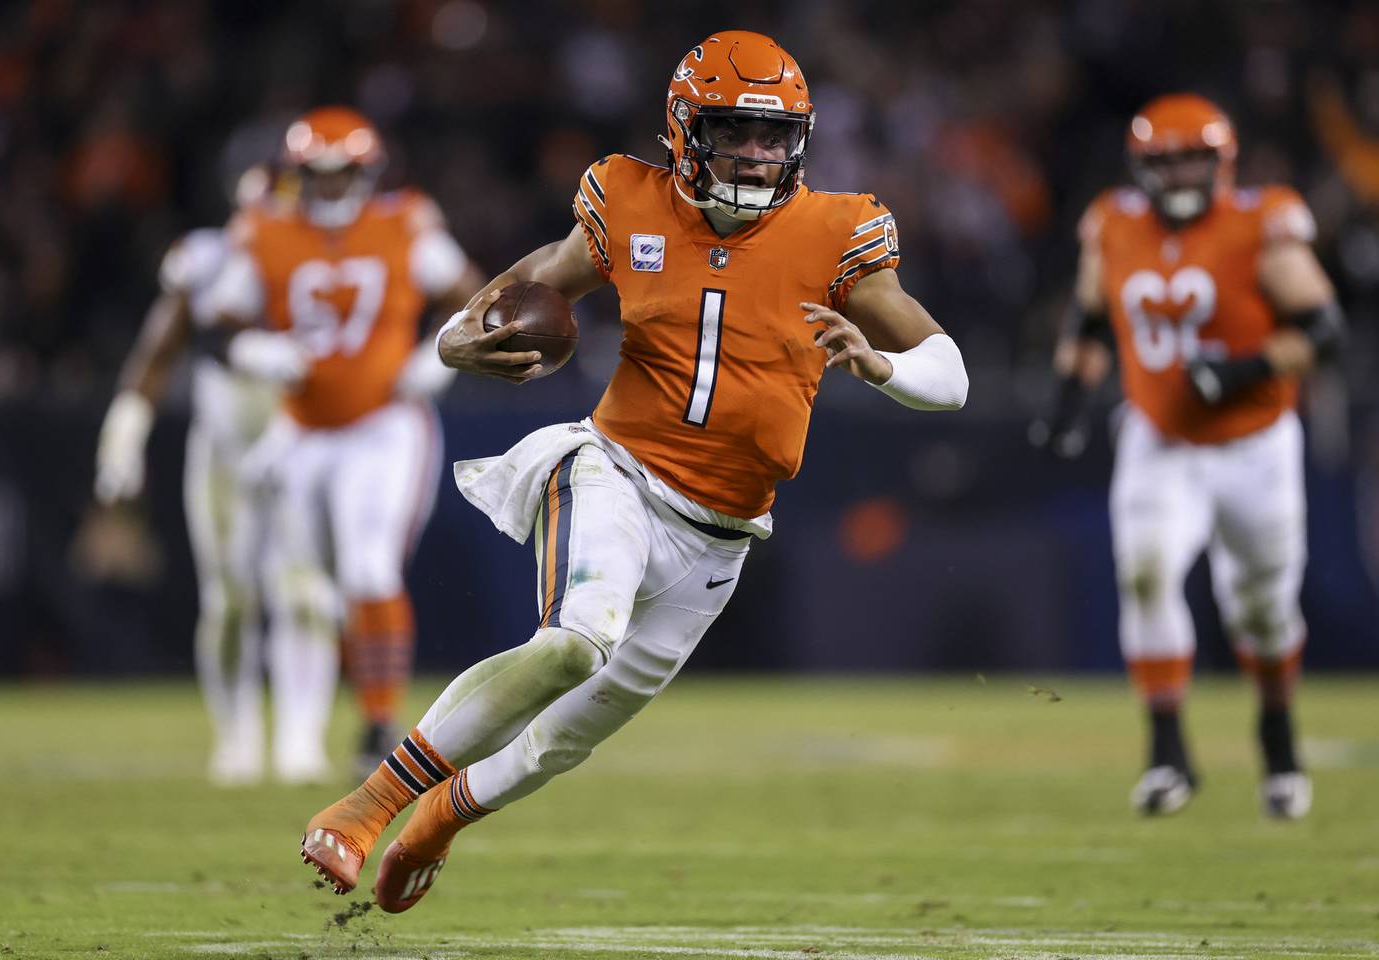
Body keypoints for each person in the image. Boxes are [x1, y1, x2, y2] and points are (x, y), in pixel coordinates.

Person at [298, 31, 968, 911]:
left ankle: (438, 819)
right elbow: (532, 281)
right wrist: (459, 335)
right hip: (615, 471)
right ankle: (366, 805)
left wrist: (881, 366)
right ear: (687, 131)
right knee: (575, 642)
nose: (760, 155)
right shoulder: (631, 202)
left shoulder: (836, 232)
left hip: (722, 535)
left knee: (560, 743)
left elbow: (949, 376)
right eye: (737, 132)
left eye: (776, 137)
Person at [1033, 94, 1344, 819]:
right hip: (1158, 438)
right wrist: (1064, 408)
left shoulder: (1260, 224)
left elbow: (1324, 330)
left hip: (1255, 444)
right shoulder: (1112, 224)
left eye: (1191, 160)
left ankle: (1277, 733)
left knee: (1261, 613)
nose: (1177, 176)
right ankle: (1168, 753)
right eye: (1164, 161)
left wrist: (1239, 370)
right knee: (1144, 576)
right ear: (1141, 167)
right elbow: (1087, 322)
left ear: (1222, 163)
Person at [209, 106, 483, 782]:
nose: (331, 191)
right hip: (300, 432)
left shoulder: (405, 223)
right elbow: (216, 324)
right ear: (295, 176)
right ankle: (298, 736)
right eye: (317, 177)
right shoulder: (263, 230)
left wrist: (439, 353)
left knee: (368, 569)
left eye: (344, 176)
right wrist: (254, 348)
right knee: (307, 589)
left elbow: (475, 296)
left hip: (383, 424)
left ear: (369, 173)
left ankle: (376, 721)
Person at [94, 166, 278, 786]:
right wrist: (124, 432)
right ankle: (238, 736)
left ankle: (305, 738)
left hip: (305, 445)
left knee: (310, 596)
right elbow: (159, 348)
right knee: (229, 599)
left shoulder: (327, 259)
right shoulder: (205, 259)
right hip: (225, 446)